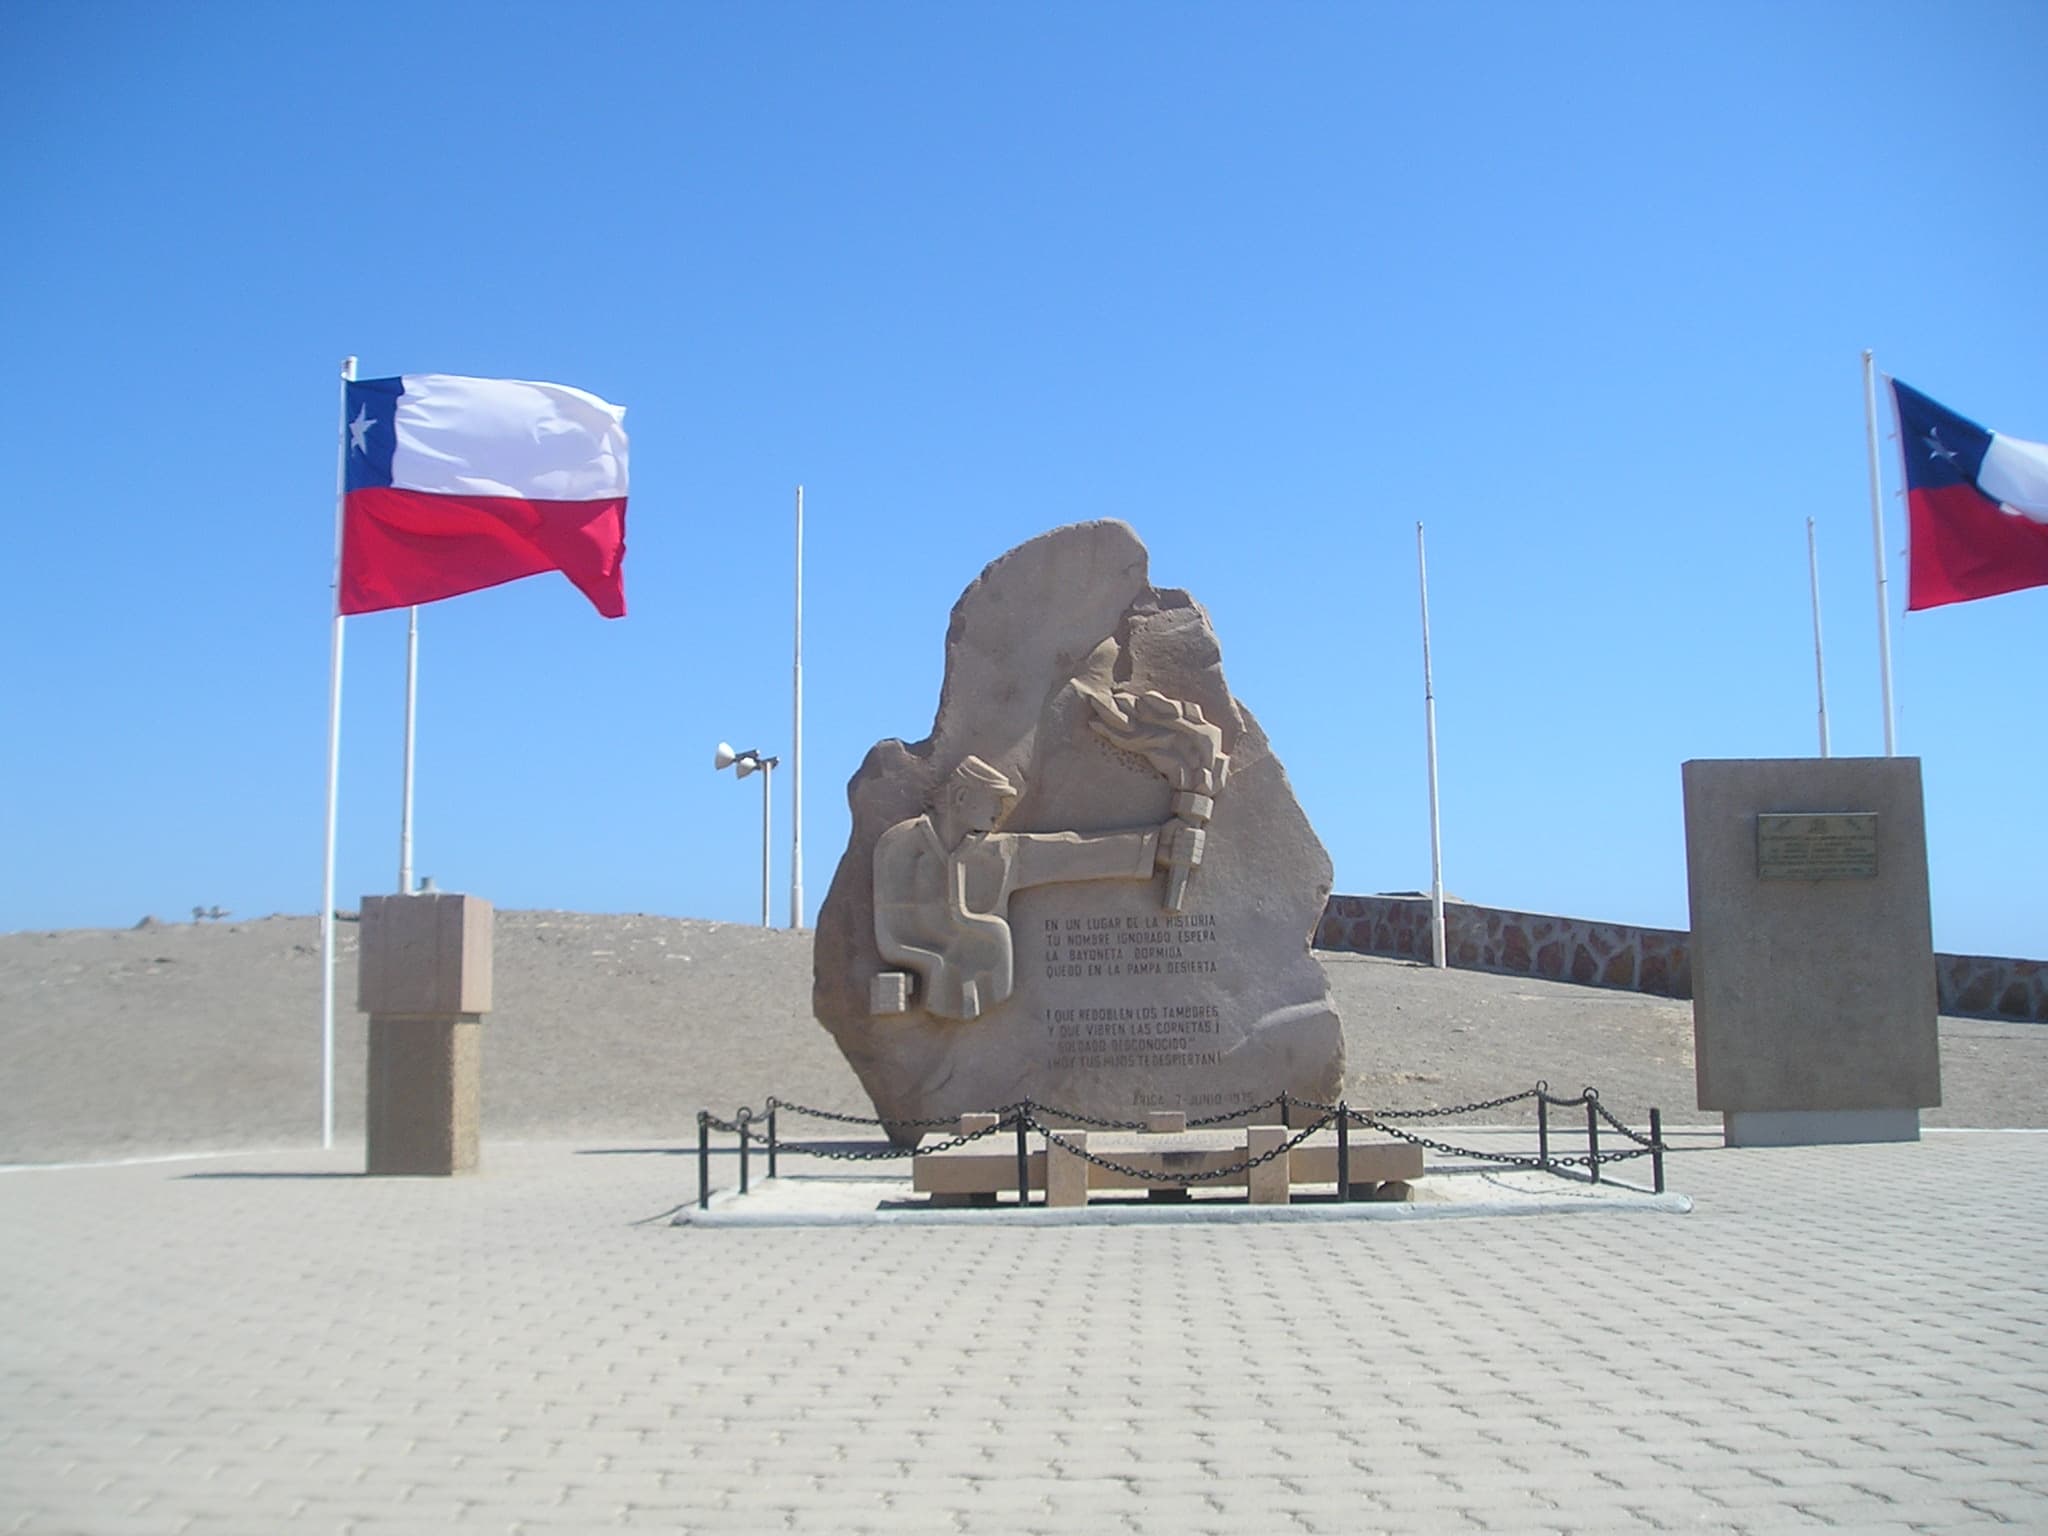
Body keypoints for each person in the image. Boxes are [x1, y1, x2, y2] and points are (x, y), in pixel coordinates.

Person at [872, 755, 1200, 1020]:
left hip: (988, 982)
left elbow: (1069, 852)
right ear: (961, 797)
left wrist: (1158, 846)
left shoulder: (995, 853)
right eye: (994, 801)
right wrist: (934, 968)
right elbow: (891, 930)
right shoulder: (902, 845)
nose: (1000, 812)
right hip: (936, 982)